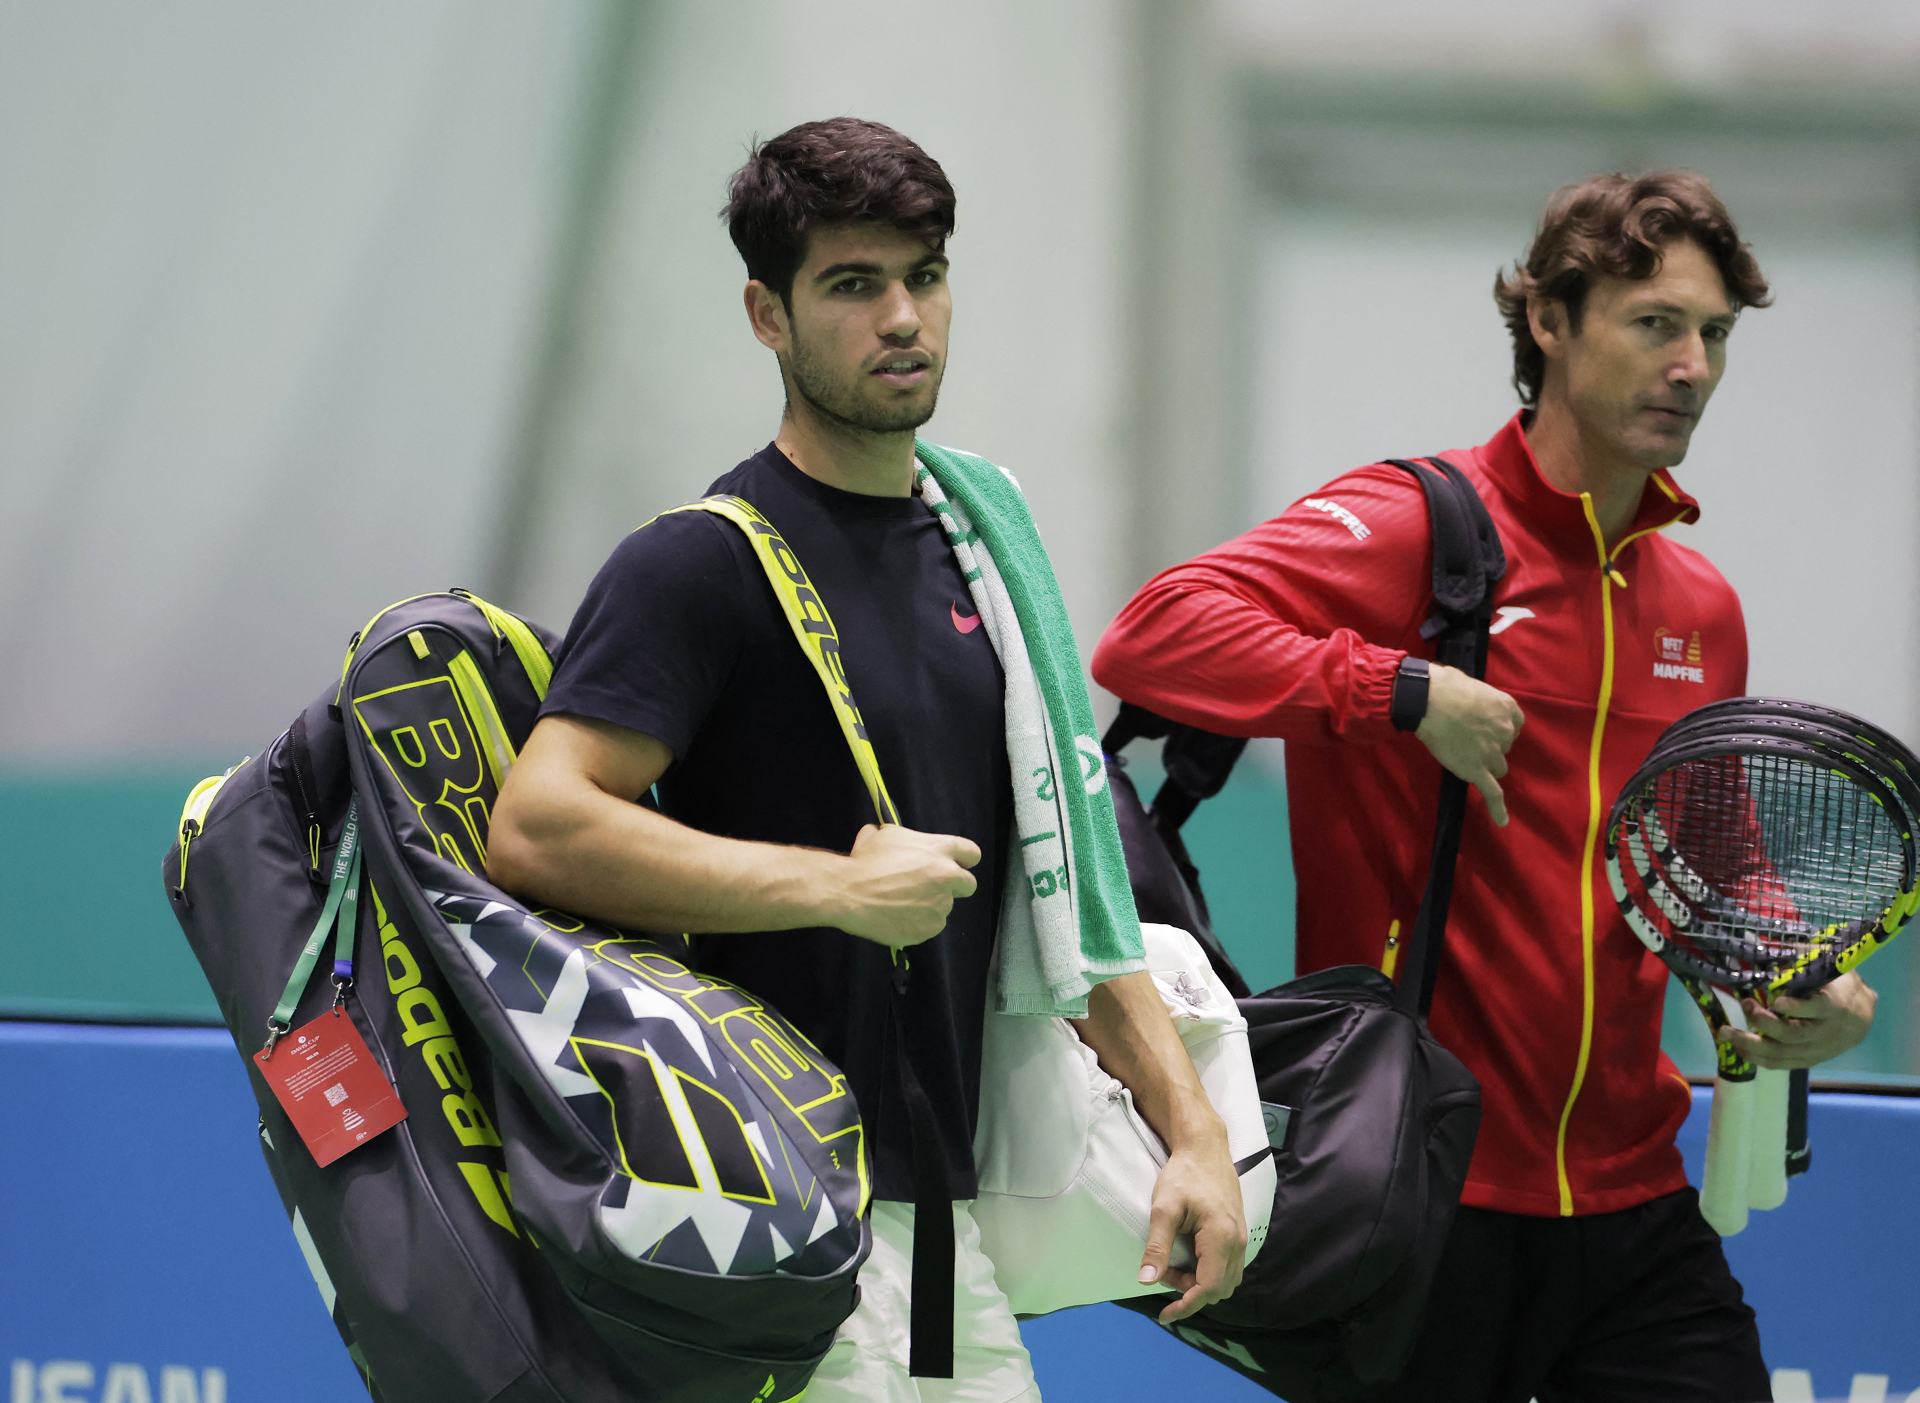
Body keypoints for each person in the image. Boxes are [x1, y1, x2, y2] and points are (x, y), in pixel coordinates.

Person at [487, 117, 1246, 1403]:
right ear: (766, 315)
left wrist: (1196, 1133)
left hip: (938, 1215)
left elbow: (1067, 898)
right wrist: (836, 885)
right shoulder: (700, 561)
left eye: (924, 276)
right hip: (767, 1201)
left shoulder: (980, 547)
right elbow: (540, 823)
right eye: (852, 284)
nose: (902, 317)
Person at [1091, 171, 1876, 1401]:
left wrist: (1800, 975)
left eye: (1714, 333)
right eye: (1654, 323)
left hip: (1634, 1201)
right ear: (1551, 322)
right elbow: (1151, 634)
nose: (1692, 366)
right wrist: (1399, 689)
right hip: (1425, 1190)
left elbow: (1711, 856)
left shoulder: (1702, 609)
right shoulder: (1421, 526)